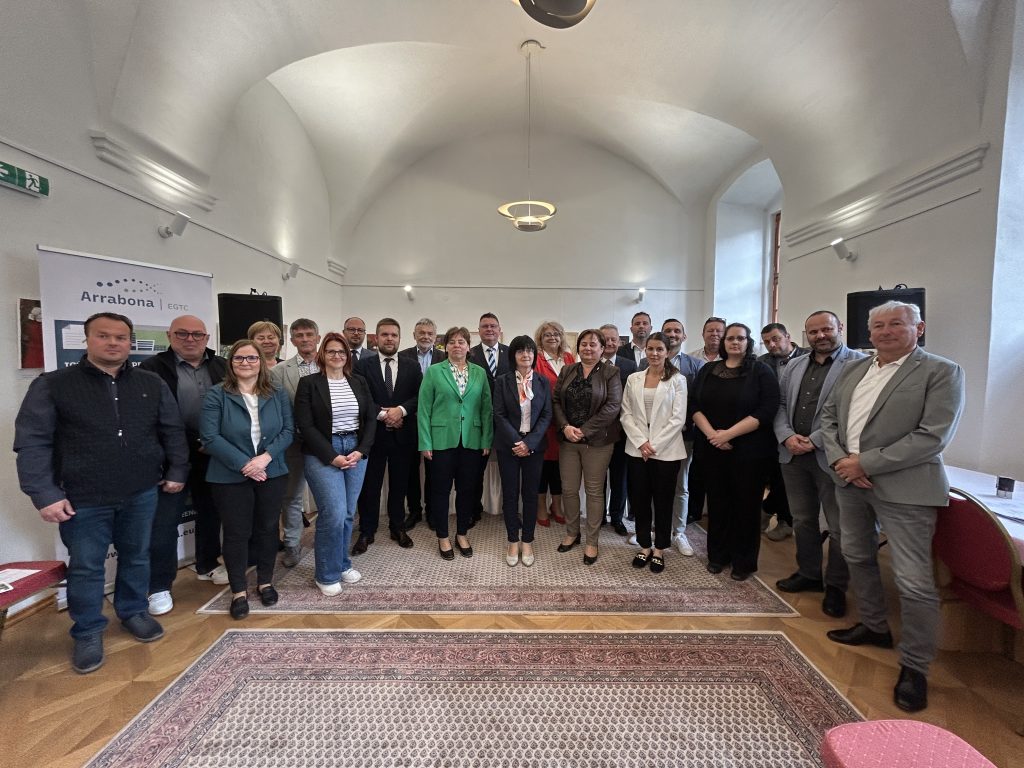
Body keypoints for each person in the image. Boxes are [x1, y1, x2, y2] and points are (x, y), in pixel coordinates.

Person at [15, 312, 189, 673]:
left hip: (141, 490)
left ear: (130, 343)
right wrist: (45, 494)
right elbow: (33, 443)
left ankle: (133, 611)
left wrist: (177, 470)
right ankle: (88, 631)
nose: (113, 343)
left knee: (137, 557)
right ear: (87, 339)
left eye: (121, 337)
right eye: (103, 336)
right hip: (83, 497)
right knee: (86, 567)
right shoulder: (54, 385)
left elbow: (171, 430)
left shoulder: (150, 383)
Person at [821, 300, 965, 712]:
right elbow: (829, 418)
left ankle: (915, 666)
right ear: (869, 332)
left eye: (896, 324)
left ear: (918, 328)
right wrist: (841, 462)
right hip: (850, 481)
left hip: (905, 488)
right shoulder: (854, 369)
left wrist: (865, 463)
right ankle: (873, 625)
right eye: (878, 325)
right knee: (856, 553)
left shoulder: (941, 371)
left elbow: (932, 436)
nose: (885, 331)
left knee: (913, 579)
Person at [140, 314, 228, 615]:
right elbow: (148, 418)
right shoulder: (151, 368)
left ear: (206, 338)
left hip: (213, 454)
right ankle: (158, 586)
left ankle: (207, 564)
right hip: (170, 458)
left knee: (210, 512)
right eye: (182, 333)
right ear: (169, 336)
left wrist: (215, 442)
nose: (190, 339)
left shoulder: (221, 366)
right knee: (164, 522)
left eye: (197, 334)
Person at [200, 339, 294, 619]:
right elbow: (210, 437)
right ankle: (238, 591)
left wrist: (265, 458)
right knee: (236, 533)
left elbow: (288, 431)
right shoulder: (216, 394)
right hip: (229, 475)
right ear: (231, 363)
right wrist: (245, 464)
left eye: (252, 358)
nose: (246, 363)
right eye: (239, 358)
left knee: (267, 529)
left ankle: (265, 582)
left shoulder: (276, 393)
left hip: (271, 471)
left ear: (261, 362)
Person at [690, 322, 779, 581]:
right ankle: (717, 556)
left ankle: (743, 562)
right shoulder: (708, 370)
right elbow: (694, 405)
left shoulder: (761, 371)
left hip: (749, 452)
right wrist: (713, 435)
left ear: (748, 342)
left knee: (746, 507)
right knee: (718, 504)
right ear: (723, 342)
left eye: (740, 338)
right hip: (713, 449)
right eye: (730, 338)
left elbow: (767, 409)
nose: (735, 342)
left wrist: (728, 435)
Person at [294, 334, 376, 596]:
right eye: (331, 351)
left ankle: (342, 564)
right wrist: (331, 456)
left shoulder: (359, 381)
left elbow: (370, 418)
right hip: (322, 452)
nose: (337, 356)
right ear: (323, 354)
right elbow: (305, 425)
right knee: (333, 512)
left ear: (347, 356)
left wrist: (361, 450)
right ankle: (326, 574)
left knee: (348, 512)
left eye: (341, 352)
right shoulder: (309, 384)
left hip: (355, 450)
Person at [418, 326, 494, 560]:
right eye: (452, 342)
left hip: (472, 441)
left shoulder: (480, 373)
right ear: (445, 346)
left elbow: (486, 409)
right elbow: (424, 409)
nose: (457, 345)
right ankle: (442, 536)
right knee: (440, 490)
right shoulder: (434, 371)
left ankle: (462, 534)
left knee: (467, 490)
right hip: (441, 441)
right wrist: (425, 442)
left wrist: (486, 439)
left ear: (468, 346)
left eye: (461, 341)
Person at [552, 329, 623, 565]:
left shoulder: (611, 372)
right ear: (578, 347)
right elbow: (556, 401)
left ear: (602, 349)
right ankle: (572, 533)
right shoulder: (567, 370)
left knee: (593, 491)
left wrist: (584, 430)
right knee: (569, 489)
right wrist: (565, 427)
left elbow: (613, 406)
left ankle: (592, 541)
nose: (588, 348)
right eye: (584, 344)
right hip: (568, 441)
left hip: (598, 442)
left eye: (593, 344)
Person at [620, 333, 687, 574]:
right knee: (639, 499)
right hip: (637, 450)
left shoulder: (678, 379)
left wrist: (653, 445)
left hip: (666, 451)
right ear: (645, 350)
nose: (654, 353)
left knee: (663, 500)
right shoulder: (634, 378)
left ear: (667, 352)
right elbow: (626, 414)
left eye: (659, 349)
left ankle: (659, 548)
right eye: (650, 349)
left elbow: (678, 418)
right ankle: (644, 545)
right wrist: (641, 443)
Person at [353, 318, 421, 554]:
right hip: (373, 437)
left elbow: (419, 396)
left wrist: (400, 410)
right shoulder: (363, 366)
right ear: (376, 338)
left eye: (394, 335)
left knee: (399, 485)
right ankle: (367, 530)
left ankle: (397, 526)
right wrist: (384, 415)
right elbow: (361, 397)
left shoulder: (412, 366)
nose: (389, 339)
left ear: (400, 338)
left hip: (404, 436)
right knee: (370, 487)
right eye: (385, 334)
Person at [493, 335, 552, 567]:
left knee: (530, 494)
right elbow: (498, 414)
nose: (525, 354)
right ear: (513, 355)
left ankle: (527, 540)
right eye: (520, 351)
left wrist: (530, 443)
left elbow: (546, 414)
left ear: (534, 355)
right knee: (510, 494)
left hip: (534, 447)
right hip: (509, 446)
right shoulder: (502, 381)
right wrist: (517, 442)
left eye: (529, 350)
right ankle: (512, 540)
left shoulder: (542, 381)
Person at [269, 318, 321, 568]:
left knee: (328, 497)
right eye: (299, 335)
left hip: (326, 444)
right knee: (292, 496)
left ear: (318, 338)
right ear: (291, 340)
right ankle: (291, 543)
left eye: (309, 334)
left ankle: (327, 541)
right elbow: (276, 410)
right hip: (294, 442)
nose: (305, 339)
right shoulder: (279, 372)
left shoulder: (333, 365)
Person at [757, 322, 808, 541]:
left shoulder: (808, 357)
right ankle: (772, 512)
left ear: (788, 336)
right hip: (769, 428)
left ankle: (781, 518)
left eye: (776, 339)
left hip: (800, 427)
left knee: (790, 478)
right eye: (767, 341)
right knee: (776, 475)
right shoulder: (762, 362)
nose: (771, 344)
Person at [660, 318, 703, 556]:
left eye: (677, 331)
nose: (672, 334)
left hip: (683, 435)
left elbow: (697, 400)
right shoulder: (647, 362)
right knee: (655, 483)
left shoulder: (695, 365)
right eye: (668, 330)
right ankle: (656, 528)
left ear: (684, 336)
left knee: (680, 484)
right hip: (655, 436)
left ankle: (678, 532)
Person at [400, 317, 445, 530]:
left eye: (430, 333)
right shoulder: (402, 356)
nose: (425, 336)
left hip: (435, 422)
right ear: (414, 335)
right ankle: (414, 510)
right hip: (409, 419)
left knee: (433, 469)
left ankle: (432, 511)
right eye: (421, 333)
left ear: (436, 337)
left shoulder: (444, 357)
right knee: (410, 469)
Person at [467, 312, 509, 522]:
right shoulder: (469, 354)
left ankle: (510, 511)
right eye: (485, 326)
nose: (489, 329)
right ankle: (473, 510)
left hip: (506, 422)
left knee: (509, 470)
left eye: (493, 326)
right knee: (475, 470)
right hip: (478, 421)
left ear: (500, 330)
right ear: (479, 331)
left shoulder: (511, 353)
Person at [533, 320, 575, 527]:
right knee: (542, 465)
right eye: (547, 334)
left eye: (556, 334)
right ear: (540, 339)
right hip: (543, 421)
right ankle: (541, 505)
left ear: (561, 337)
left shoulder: (569, 358)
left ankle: (556, 505)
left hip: (564, 421)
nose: (552, 337)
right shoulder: (536, 359)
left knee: (560, 465)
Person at [600, 323, 636, 535]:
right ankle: (599, 516)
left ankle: (617, 517)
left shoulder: (629, 365)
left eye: (614, 339)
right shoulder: (590, 363)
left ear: (619, 342)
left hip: (622, 431)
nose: (610, 343)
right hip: (597, 432)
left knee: (619, 477)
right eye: (605, 339)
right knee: (598, 477)